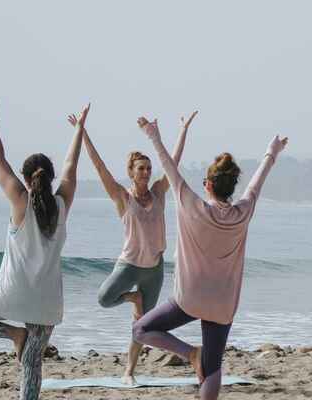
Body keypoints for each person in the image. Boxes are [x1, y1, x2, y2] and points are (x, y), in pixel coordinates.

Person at [131, 115, 288, 400]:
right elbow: (256, 183)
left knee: (141, 329)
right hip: (223, 304)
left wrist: (153, 135)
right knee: (213, 369)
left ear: (208, 185)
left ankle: (190, 353)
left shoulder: (193, 206)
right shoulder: (243, 211)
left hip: (189, 299)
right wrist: (271, 153)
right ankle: (199, 359)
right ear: (230, 187)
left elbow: (169, 168)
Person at [0, 91, 87, 400]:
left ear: (25, 178)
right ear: (49, 179)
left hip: (10, 295)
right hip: (47, 303)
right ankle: (19, 340)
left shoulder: (19, 201)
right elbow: (71, 165)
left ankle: (12, 333)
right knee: (31, 365)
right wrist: (79, 130)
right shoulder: (62, 205)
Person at [71, 110, 197, 384]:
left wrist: (183, 130)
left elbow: (172, 163)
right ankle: (132, 298)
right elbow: (99, 167)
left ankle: (129, 371)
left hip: (154, 270)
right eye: (141, 168)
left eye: (149, 168)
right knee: (104, 298)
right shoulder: (121, 196)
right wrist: (83, 133)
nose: (146, 172)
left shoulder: (160, 192)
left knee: (141, 327)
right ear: (131, 172)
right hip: (128, 266)